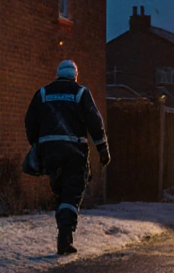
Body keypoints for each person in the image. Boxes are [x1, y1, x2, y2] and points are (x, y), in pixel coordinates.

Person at [25, 59, 111, 255]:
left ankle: (63, 231)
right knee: (72, 193)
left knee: (60, 192)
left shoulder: (43, 93)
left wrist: (37, 144)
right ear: (75, 75)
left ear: (58, 74)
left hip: (50, 153)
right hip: (74, 152)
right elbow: (95, 123)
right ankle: (64, 239)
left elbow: (30, 121)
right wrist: (103, 151)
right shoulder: (81, 93)